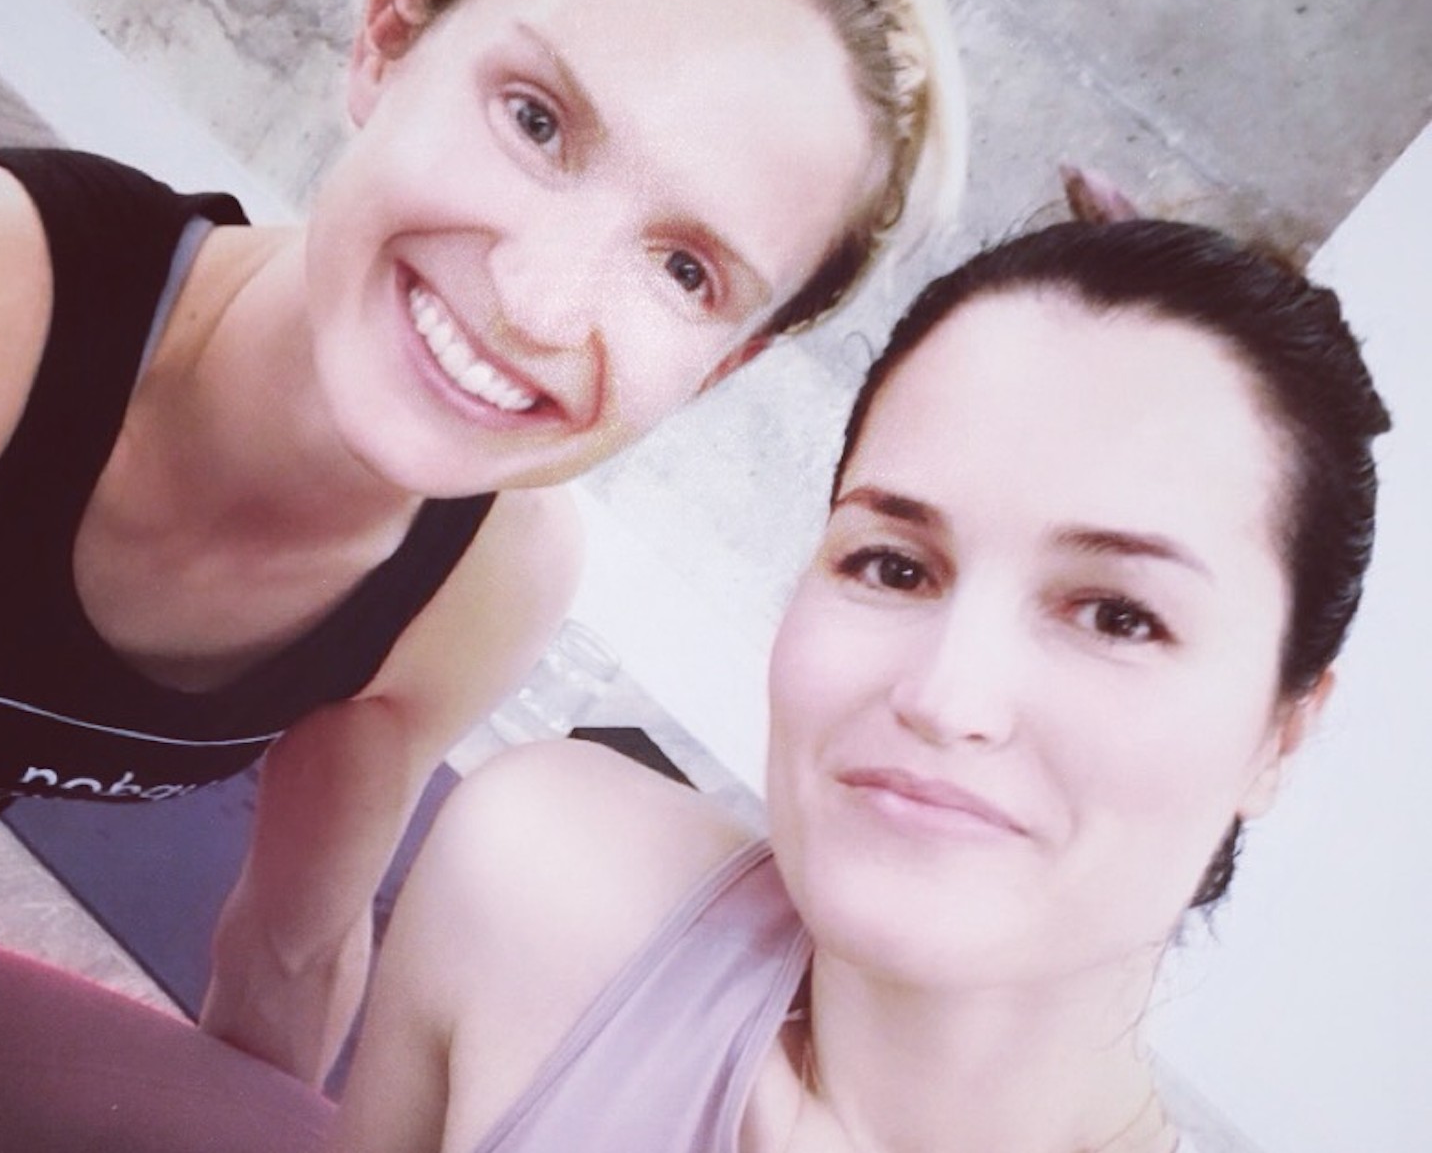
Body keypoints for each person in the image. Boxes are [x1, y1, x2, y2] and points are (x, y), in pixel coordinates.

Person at [0, 0, 966, 1086]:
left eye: (683, 271)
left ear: (722, 366)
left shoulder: (482, 578)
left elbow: (289, 952)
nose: (537, 306)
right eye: (535, 121)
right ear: (390, 33)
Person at [320, 211, 1391, 1151]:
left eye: (1118, 616)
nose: (944, 696)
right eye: (892, 566)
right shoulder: (531, 884)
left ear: (1279, 735)